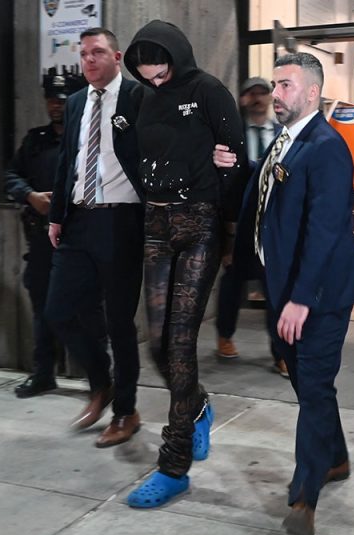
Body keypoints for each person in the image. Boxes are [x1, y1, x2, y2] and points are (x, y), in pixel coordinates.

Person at [215, 52, 354, 535]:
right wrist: (233, 168)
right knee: (309, 385)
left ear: (312, 93)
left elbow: (326, 231)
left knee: (313, 388)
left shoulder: (327, 148)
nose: (275, 94)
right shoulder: (286, 141)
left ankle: (304, 498)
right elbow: (262, 192)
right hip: (285, 290)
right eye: (274, 85)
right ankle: (335, 457)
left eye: (285, 86)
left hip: (319, 296)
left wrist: (301, 298)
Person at [120, 20, 247, 509]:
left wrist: (220, 183)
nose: (156, 82)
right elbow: (130, 150)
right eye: (147, 76)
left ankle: (173, 466)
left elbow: (237, 158)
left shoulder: (208, 90)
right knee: (156, 343)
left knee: (179, 344)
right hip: (156, 224)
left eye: (161, 73)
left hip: (199, 224)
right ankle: (197, 407)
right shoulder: (141, 98)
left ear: (177, 56)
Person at [45, 28, 146, 449]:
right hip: (78, 221)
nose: (89, 60)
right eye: (84, 54)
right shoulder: (75, 103)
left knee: (120, 322)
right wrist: (56, 216)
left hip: (121, 222)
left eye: (98, 52)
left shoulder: (138, 98)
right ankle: (101, 383)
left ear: (116, 57)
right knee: (59, 311)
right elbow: (66, 162)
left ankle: (126, 411)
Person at [5, 73, 83, 398]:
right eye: (51, 100)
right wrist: (30, 196)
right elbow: (11, 175)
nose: (56, 106)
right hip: (41, 241)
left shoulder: (87, 140)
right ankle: (43, 373)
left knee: (85, 309)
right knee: (42, 308)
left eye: (62, 100)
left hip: (79, 241)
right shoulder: (35, 140)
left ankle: (98, 375)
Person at [214, 76, 287, 378]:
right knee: (232, 281)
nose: (257, 98)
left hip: (273, 225)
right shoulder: (231, 137)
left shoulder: (283, 135)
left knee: (275, 287)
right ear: (242, 99)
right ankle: (225, 335)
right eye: (250, 94)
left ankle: (280, 353)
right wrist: (226, 235)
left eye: (262, 93)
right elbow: (225, 184)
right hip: (239, 223)